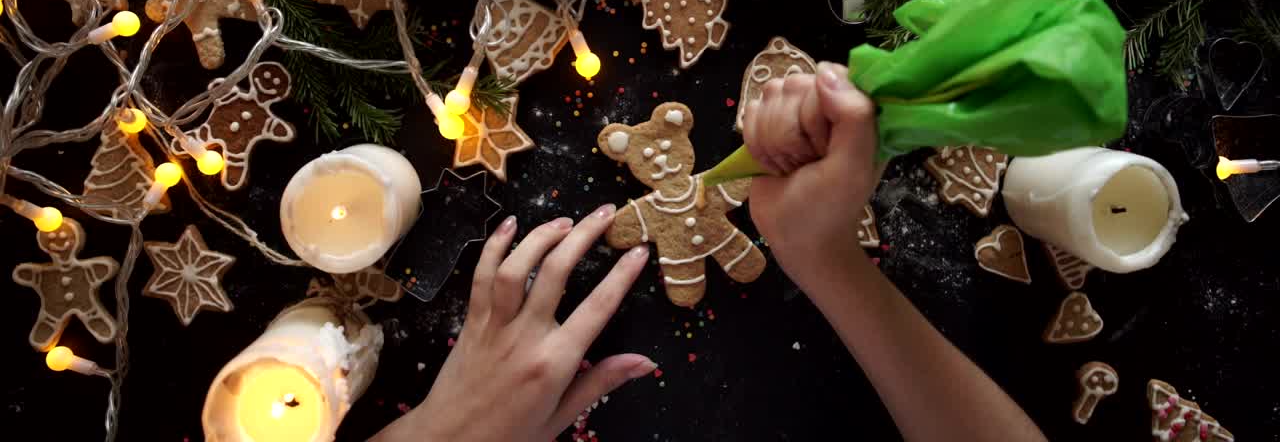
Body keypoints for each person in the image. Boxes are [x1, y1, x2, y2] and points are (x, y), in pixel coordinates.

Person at [372, 63, 1048, 442]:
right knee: (687, 264)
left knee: (725, 248)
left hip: (724, 234)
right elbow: (633, 225)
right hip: (691, 254)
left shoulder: (707, 183)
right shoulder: (648, 200)